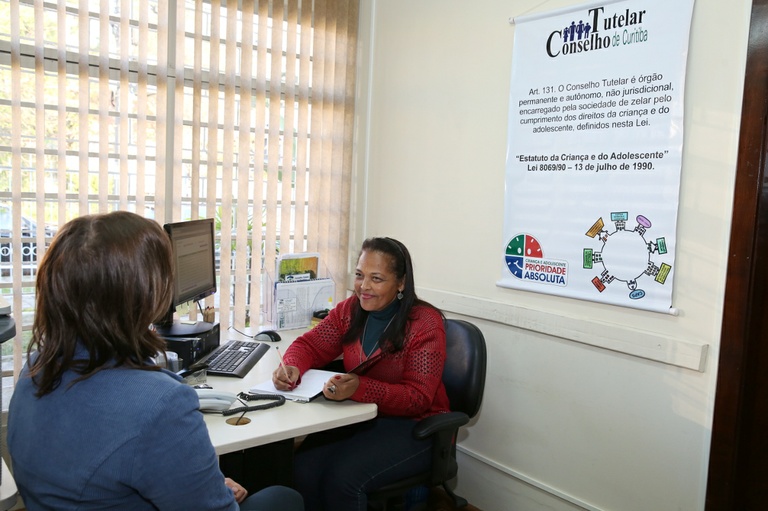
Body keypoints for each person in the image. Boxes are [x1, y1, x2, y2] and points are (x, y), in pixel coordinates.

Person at [7, 211, 304, 511]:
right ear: (145, 294)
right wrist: (218, 493)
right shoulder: (160, 404)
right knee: (283, 498)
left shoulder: (34, 370)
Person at [272, 237, 450, 511]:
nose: (364, 287)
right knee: (303, 467)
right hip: (362, 417)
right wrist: (292, 366)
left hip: (416, 427)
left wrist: (360, 388)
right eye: (359, 275)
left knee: (343, 480)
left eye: (376, 278)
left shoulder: (424, 323)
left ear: (401, 283)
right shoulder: (351, 310)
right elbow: (309, 345)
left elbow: (418, 398)